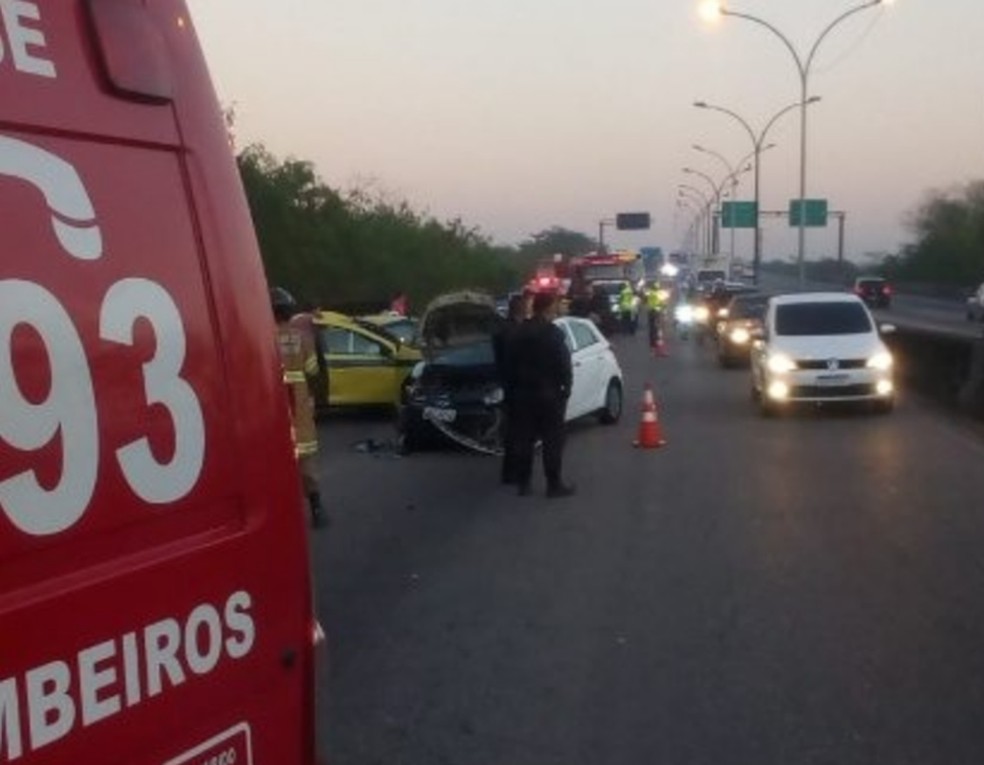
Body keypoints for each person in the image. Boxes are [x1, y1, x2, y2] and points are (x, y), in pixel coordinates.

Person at [507, 291, 576, 499]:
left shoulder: (518, 333)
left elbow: (509, 364)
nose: (557, 309)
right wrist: (566, 388)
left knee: (524, 439)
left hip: (522, 394)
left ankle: (524, 483)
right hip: (549, 394)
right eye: (555, 305)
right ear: (548, 307)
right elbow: (564, 364)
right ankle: (553, 485)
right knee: (552, 440)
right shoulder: (553, 334)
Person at [272, 287, 328, 529]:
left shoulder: (264, 336)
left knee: (277, 457)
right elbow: (314, 370)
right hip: (300, 400)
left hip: (273, 399)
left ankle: (281, 514)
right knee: (306, 458)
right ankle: (316, 509)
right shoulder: (303, 338)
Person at [492, 293, 529, 485]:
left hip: (508, 385)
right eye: (525, 306)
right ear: (519, 309)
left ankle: (509, 472)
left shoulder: (501, 330)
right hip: (519, 386)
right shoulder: (516, 331)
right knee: (519, 431)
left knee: (511, 431)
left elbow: (498, 360)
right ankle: (516, 472)